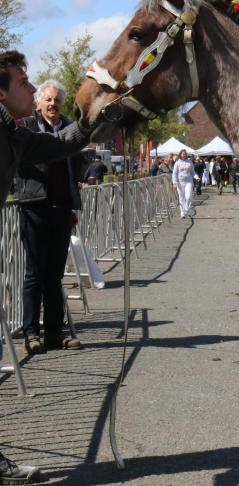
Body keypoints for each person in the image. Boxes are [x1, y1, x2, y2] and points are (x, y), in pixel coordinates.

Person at [0, 49, 98, 486]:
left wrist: (98, 116)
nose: (34, 88)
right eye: (23, 82)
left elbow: (62, 144)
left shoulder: (11, 130)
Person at [16, 79, 89, 355]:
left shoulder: (71, 129)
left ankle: (54, 335)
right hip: (34, 207)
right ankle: (31, 333)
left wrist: (73, 201)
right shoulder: (26, 128)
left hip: (61, 210)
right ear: (38, 103)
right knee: (35, 273)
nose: (52, 104)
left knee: (54, 276)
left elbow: (77, 166)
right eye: (47, 99)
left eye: (56, 100)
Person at [172, 149, 198, 218]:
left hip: (188, 182)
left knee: (188, 197)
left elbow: (193, 172)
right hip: (180, 182)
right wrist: (174, 182)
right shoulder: (177, 162)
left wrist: (196, 177)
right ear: (180, 154)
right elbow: (174, 173)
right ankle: (182, 212)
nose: (184, 155)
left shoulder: (189, 162)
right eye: (183, 154)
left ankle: (186, 209)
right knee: (181, 197)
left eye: (185, 154)